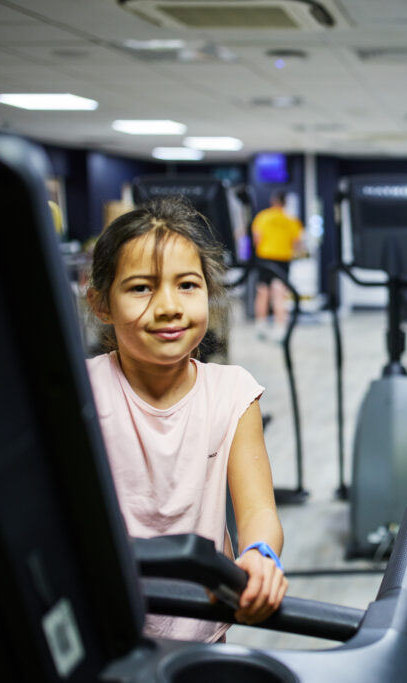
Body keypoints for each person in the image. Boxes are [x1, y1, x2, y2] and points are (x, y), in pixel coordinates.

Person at [85, 197, 288, 643]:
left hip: (204, 627)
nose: (169, 306)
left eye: (188, 285)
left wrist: (259, 553)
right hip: (108, 630)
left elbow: (257, 511)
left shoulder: (233, 393)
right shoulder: (82, 391)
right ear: (101, 304)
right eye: (141, 288)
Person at [251, 190, 303, 339]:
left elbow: (256, 239)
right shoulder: (292, 220)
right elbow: (298, 243)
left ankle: (260, 326)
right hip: (283, 260)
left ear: (273, 201)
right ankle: (280, 328)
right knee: (279, 293)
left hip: (265, 258)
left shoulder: (263, 217)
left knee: (262, 292)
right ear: (285, 202)